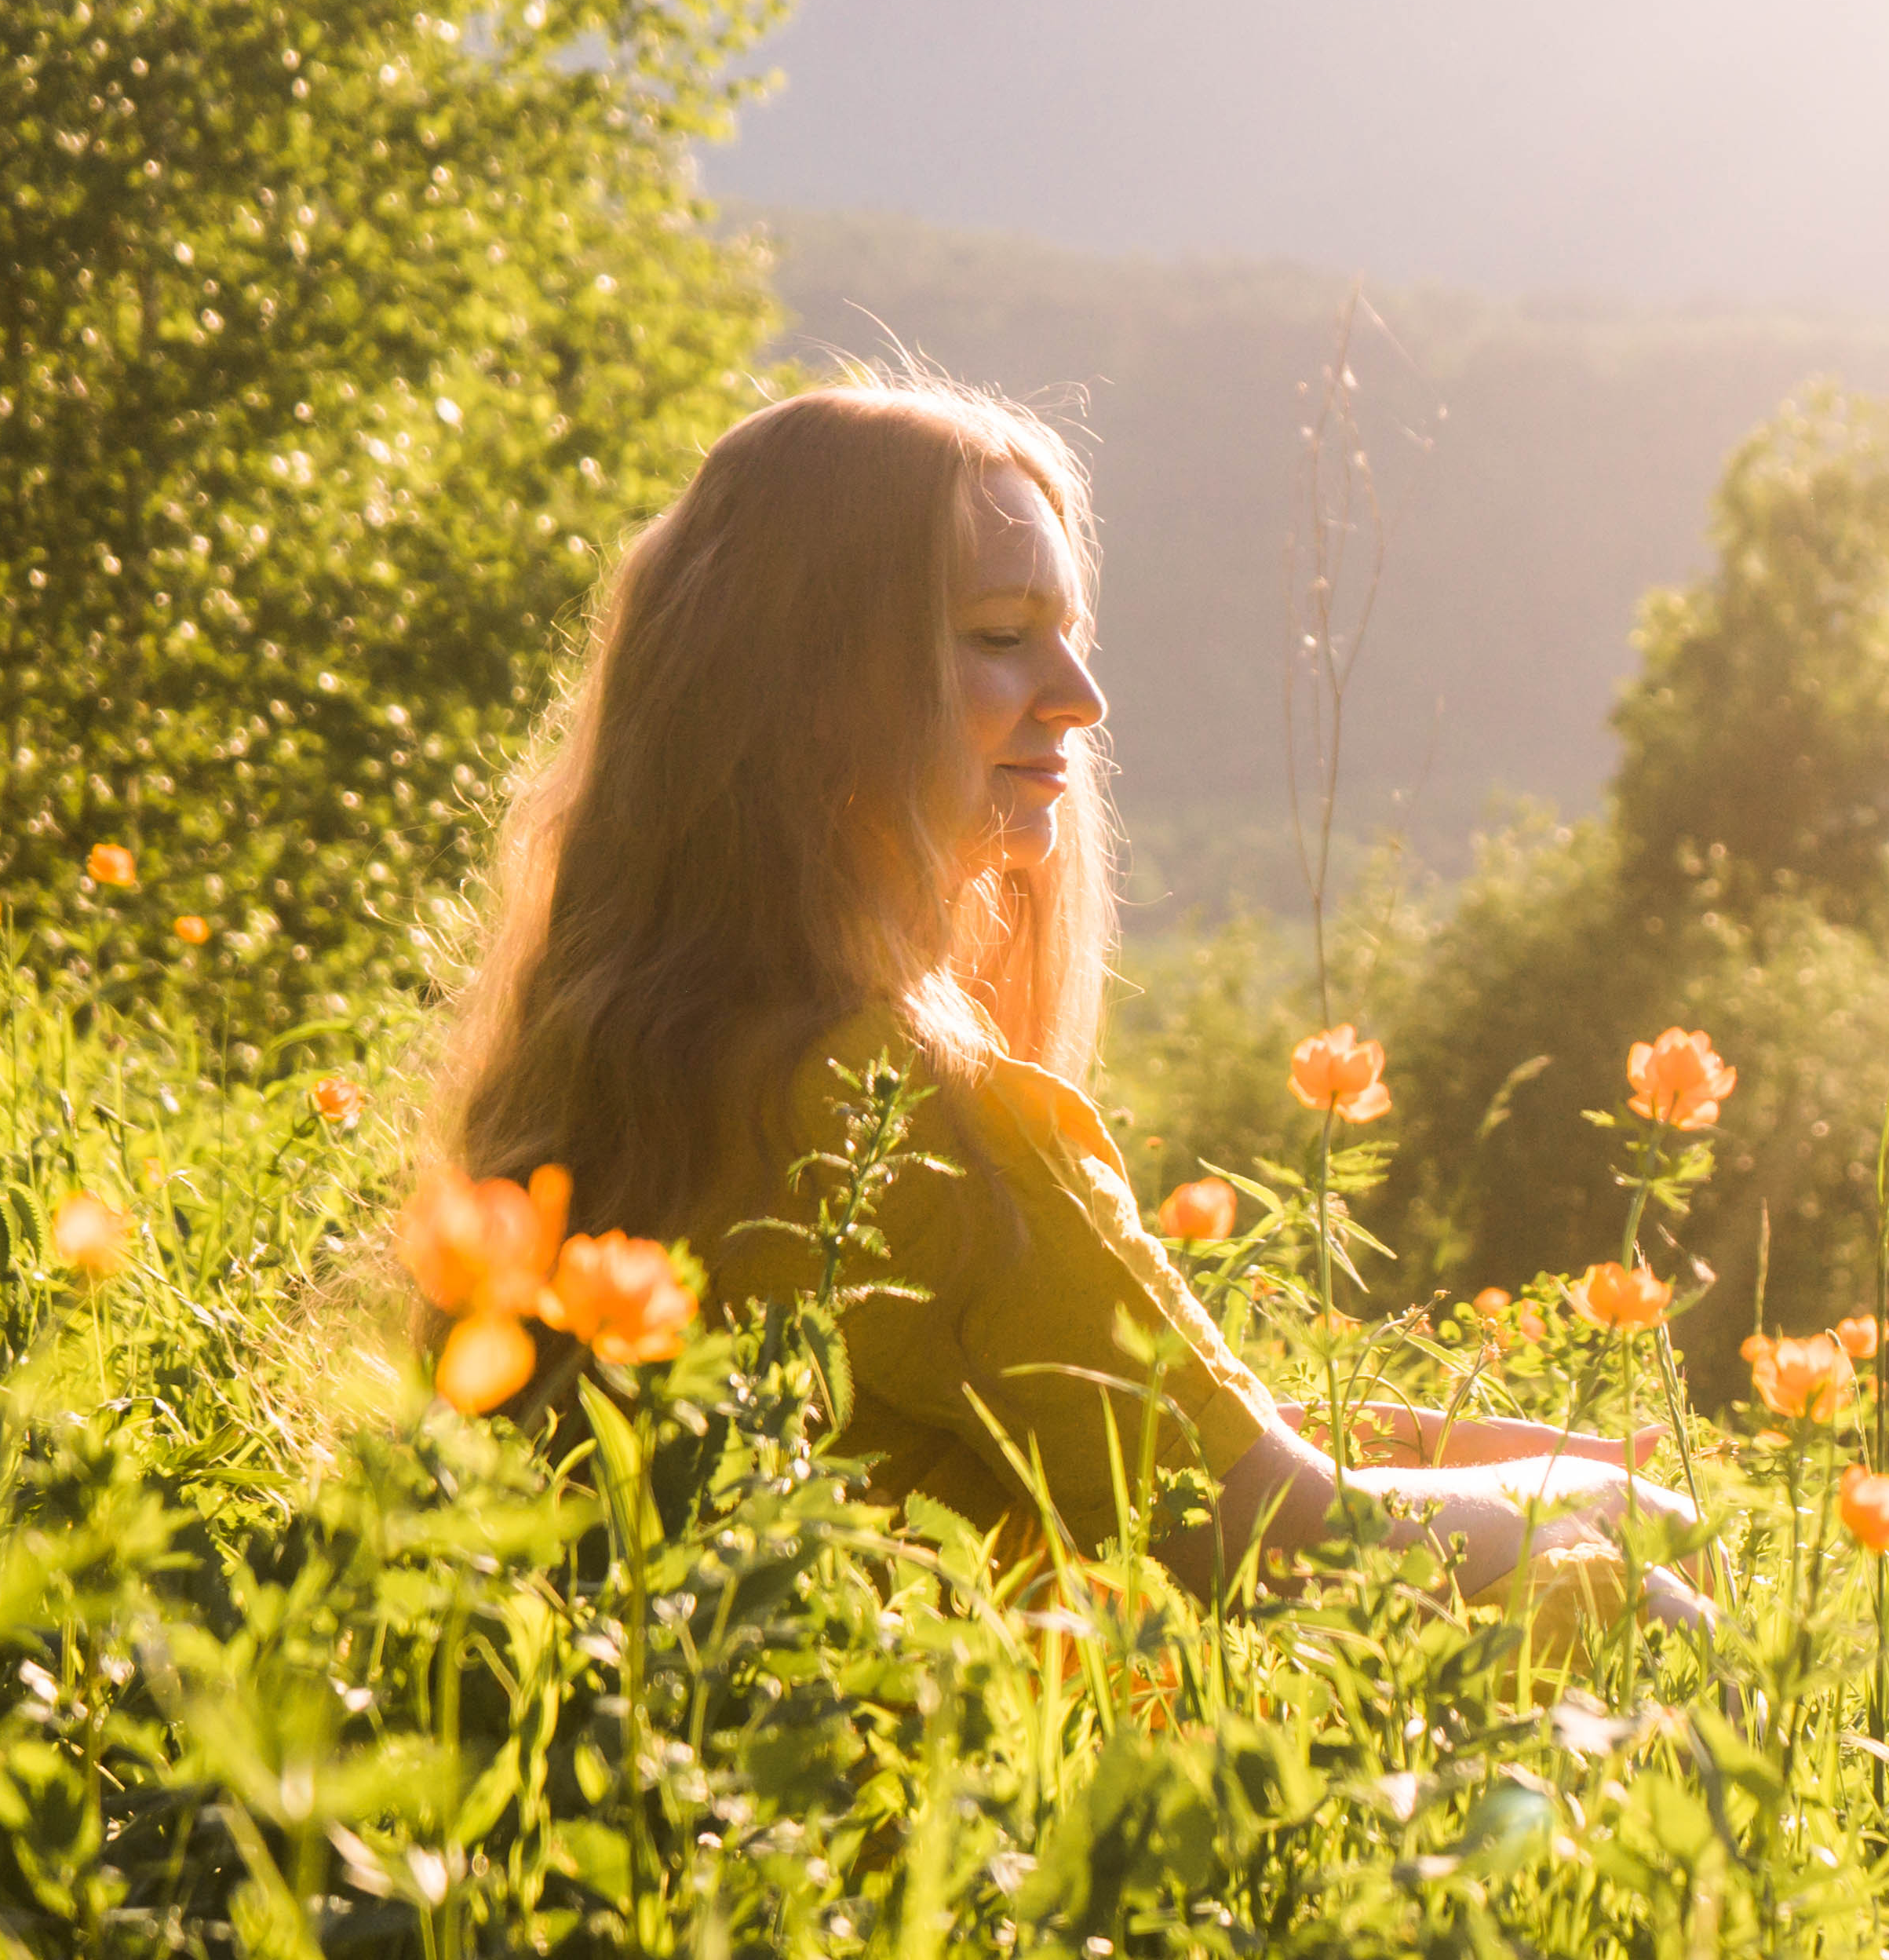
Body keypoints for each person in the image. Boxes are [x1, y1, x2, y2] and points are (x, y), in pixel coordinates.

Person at [418, 375, 1695, 1628]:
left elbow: (1137, 1420)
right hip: (932, 1813)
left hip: (711, 1779)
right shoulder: (893, 1104)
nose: (1080, 697)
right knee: (1648, 1600)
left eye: (1070, 634)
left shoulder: (658, 1056)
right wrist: (1606, 1491)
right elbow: (1272, 1534)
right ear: (804, 692)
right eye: (997, 637)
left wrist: (1462, 1445)